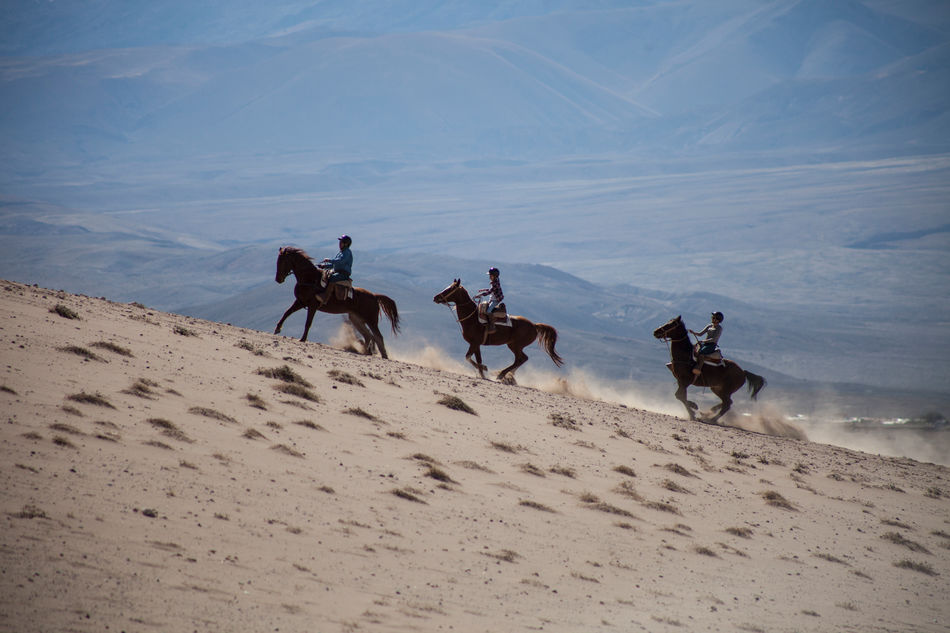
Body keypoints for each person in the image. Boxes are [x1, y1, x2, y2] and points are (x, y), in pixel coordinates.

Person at [315, 234, 353, 302]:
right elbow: (334, 265)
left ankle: (325, 297)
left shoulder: (347, 252)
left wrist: (329, 260)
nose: (339, 244)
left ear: (346, 244)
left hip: (343, 274)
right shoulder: (341, 252)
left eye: (341, 242)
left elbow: (340, 261)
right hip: (337, 271)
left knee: (332, 278)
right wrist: (323, 266)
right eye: (340, 242)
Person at [690, 311, 724, 376]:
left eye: (713, 317)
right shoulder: (709, 326)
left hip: (711, 345)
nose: (712, 318)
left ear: (717, 320)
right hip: (705, 344)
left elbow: (714, 339)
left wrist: (703, 341)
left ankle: (698, 369)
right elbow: (700, 334)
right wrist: (694, 332)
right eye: (712, 317)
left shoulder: (719, 328)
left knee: (701, 353)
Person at [473, 267, 504, 333]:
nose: (489, 277)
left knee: (488, 311)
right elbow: (491, 289)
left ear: (495, 276)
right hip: (492, 298)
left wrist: (480, 295)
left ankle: (492, 326)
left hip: (495, 300)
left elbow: (490, 292)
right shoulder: (494, 282)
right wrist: (483, 290)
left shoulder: (495, 283)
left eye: (491, 275)